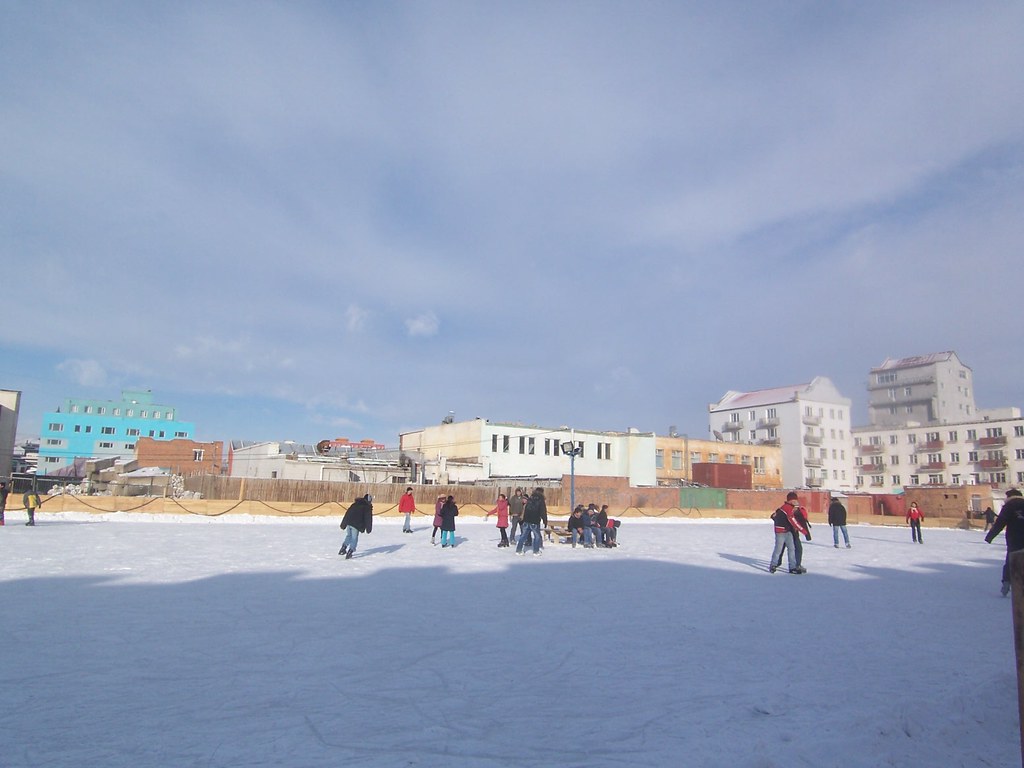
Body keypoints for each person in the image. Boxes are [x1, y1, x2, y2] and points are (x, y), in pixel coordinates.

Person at [985, 489, 1024, 597]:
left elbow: (1000, 522)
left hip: (1014, 538)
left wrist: (990, 537)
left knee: (1011, 560)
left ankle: (1006, 583)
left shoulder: (1009, 506)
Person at [769, 492, 808, 574]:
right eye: (794, 500)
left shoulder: (792, 508)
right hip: (781, 532)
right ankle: (773, 565)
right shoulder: (787, 508)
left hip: (788, 531)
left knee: (792, 549)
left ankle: (792, 567)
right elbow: (793, 521)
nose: (796, 502)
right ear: (790, 500)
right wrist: (804, 531)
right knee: (778, 549)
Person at [339, 494, 373, 559]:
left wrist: (343, 524)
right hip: (356, 525)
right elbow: (368, 518)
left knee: (349, 536)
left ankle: (343, 548)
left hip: (349, 523)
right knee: (354, 538)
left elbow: (348, 513)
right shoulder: (367, 507)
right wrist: (369, 529)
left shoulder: (355, 504)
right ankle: (350, 551)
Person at [516, 487, 548, 556]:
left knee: (523, 536)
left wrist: (524, 519)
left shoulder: (530, 498)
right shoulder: (541, 500)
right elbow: (543, 511)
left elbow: (526, 509)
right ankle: (536, 551)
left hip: (527, 520)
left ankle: (518, 550)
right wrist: (545, 521)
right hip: (535, 521)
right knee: (537, 536)